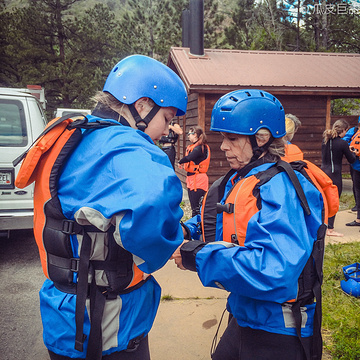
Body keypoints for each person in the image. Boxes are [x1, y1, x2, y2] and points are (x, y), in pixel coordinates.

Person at [29, 55, 188, 360]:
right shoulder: (130, 148)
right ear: (142, 105)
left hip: (61, 314)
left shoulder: (72, 135)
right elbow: (155, 219)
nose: (166, 130)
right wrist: (172, 244)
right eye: (166, 118)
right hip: (110, 324)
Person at [172, 89, 331, 360]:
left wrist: (197, 256)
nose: (223, 147)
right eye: (222, 138)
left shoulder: (281, 188)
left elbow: (274, 269)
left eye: (232, 139)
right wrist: (188, 229)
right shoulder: (245, 177)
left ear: (262, 138)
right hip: (246, 314)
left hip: (278, 331)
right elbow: (226, 216)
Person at [321, 119, 356, 236]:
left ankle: (322, 226)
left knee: (324, 200)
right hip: (334, 174)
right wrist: (354, 153)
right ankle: (330, 229)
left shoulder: (325, 140)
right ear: (344, 130)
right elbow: (351, 159)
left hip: (323, 173)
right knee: (333, 201)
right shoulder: (343, 143)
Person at [178, 126, 210, 217]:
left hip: (198, 181)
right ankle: (195, 224)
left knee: (197, 208)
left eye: (189, 134)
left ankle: (198, 226)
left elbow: (190, 157)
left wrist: (180, 161)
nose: (188, 136)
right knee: (194, 207)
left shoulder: (200, 148)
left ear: (195, 135)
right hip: (192, 179)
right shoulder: (196, 147)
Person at [343, 115, 360, 226]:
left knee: (358, 189)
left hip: (357, 165)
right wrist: (349, 146)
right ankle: (357, 206)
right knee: (356, 187)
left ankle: (359, 219)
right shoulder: (353, 131)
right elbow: (344, 141)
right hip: (355, 164)